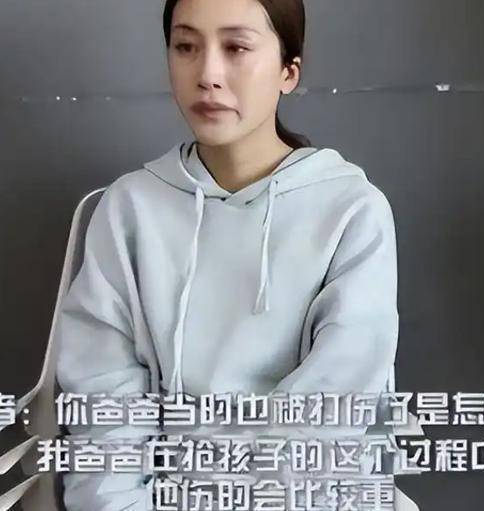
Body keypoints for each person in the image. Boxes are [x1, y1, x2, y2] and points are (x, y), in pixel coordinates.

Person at [54, 0, 399, 509]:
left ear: (288, 72)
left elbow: (329, 416)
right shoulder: (129, 209)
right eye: (186, 46)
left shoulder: (350, 209)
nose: (208, 75)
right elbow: (103, 409)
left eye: (236, 47)